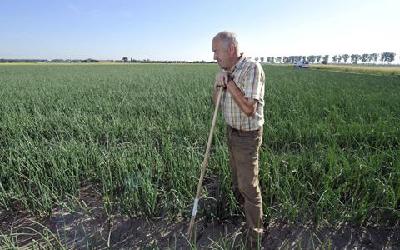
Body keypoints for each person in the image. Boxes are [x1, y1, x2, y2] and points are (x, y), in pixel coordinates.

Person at [211, 31, 265, 246]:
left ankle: (255, 236)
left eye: (216, 51)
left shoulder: (252, 68)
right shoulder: (226, 70)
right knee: (237, 182)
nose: (214, 56)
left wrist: (229, 83)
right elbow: (217, 104)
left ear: (231, 49)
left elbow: (249, 108)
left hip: (247, 136)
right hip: (231, 132)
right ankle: (244, 218)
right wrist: (218, 84)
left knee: (248, 187)